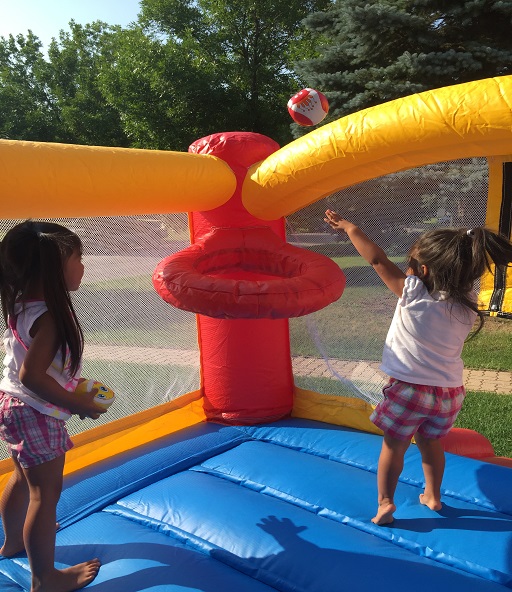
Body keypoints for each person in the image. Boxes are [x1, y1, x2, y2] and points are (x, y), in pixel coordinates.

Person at [324, 209, 512, 526]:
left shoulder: (413, 295)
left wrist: (352, 228)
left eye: (411, 264)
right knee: (430, 442)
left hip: (409, 390)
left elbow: (378, 261)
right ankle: (434, 495)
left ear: (420, 271)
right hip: (449, 394)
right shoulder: (467, 303)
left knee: (394, 446)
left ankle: (385, 503)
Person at [0, 221, 106, 592]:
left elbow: (31, 366)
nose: (83, 267)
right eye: (79, 258)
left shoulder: (19, 301)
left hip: (11, 403)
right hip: (33, 408)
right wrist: (77, 403)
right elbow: (33, 376)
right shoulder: (53, 319)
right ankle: (45, 578)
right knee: (45, 495)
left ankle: (13, 541)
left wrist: (69, 384)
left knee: (21, 477)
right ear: (55, 268)